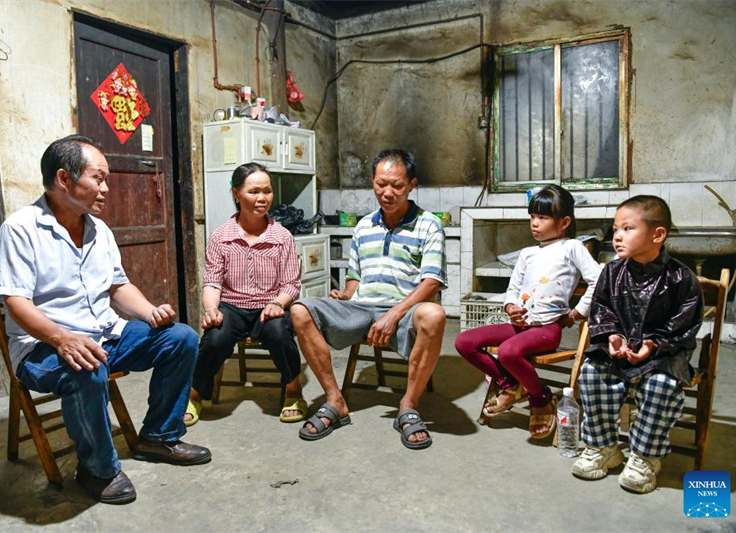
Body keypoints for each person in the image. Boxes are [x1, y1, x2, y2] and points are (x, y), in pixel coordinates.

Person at [0, 135, 210, 505]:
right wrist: (62, 338)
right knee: (87, 362)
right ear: (64, 178)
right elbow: (15, 301)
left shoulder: (99, 231)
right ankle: (96, 468)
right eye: (99, 178)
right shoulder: (20, 229)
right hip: (42, 349)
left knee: (182, 338)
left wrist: (149, 312)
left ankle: (157, 437)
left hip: (105, 335)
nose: (106, 188)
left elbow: (117, 287)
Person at [290, 149, 447, 450]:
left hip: (405, 310)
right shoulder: (363, 226)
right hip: (361, 308)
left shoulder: (429, 225)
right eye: (380, 184)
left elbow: (432, 281)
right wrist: (346, 294)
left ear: (412, 184)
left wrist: (394, 314)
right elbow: (355, 276)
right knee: (300, 309)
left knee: (435, 315)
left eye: (397, 185)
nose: (387, 192)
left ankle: (408, 406)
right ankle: (336, 401)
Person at [571, 195, 703, 494]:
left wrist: (653, 345)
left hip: (663, 355)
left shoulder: (681, 278)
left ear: (658, 234)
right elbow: (601, 310)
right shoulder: (611, 272)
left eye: (628, 228)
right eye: (616, 228)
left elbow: (684, 327)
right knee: (592, 373)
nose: (617, 236)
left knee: (661, 386)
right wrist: (611, 336)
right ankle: (603, 447)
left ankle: (645, 457)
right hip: (621, 350)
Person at [455, 185, 601, 439]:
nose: (534, 223)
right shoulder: (528, 253)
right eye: (532, 217)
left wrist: (576, 313)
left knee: (510, 351)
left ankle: (540, 397)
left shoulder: (572, 248)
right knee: (464, 341)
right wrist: (510, 307)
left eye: (543, 217)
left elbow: (598, 280)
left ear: (564, 222)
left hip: (547, 329)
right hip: (520, 326)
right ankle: (510, 384)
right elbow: (512, 289)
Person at [184, 163, 305, 425]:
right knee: (214, 339)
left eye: (267, 191)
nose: (262, 198)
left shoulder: (281, 237)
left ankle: (294, 391)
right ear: (236, 194)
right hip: (233, 307)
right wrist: (211, 310)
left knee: (279, 334)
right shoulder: (221, 237)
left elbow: (291, 284)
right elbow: (213, 281)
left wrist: (277, 303)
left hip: (269, 305)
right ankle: (195, 395)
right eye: (254, 192)